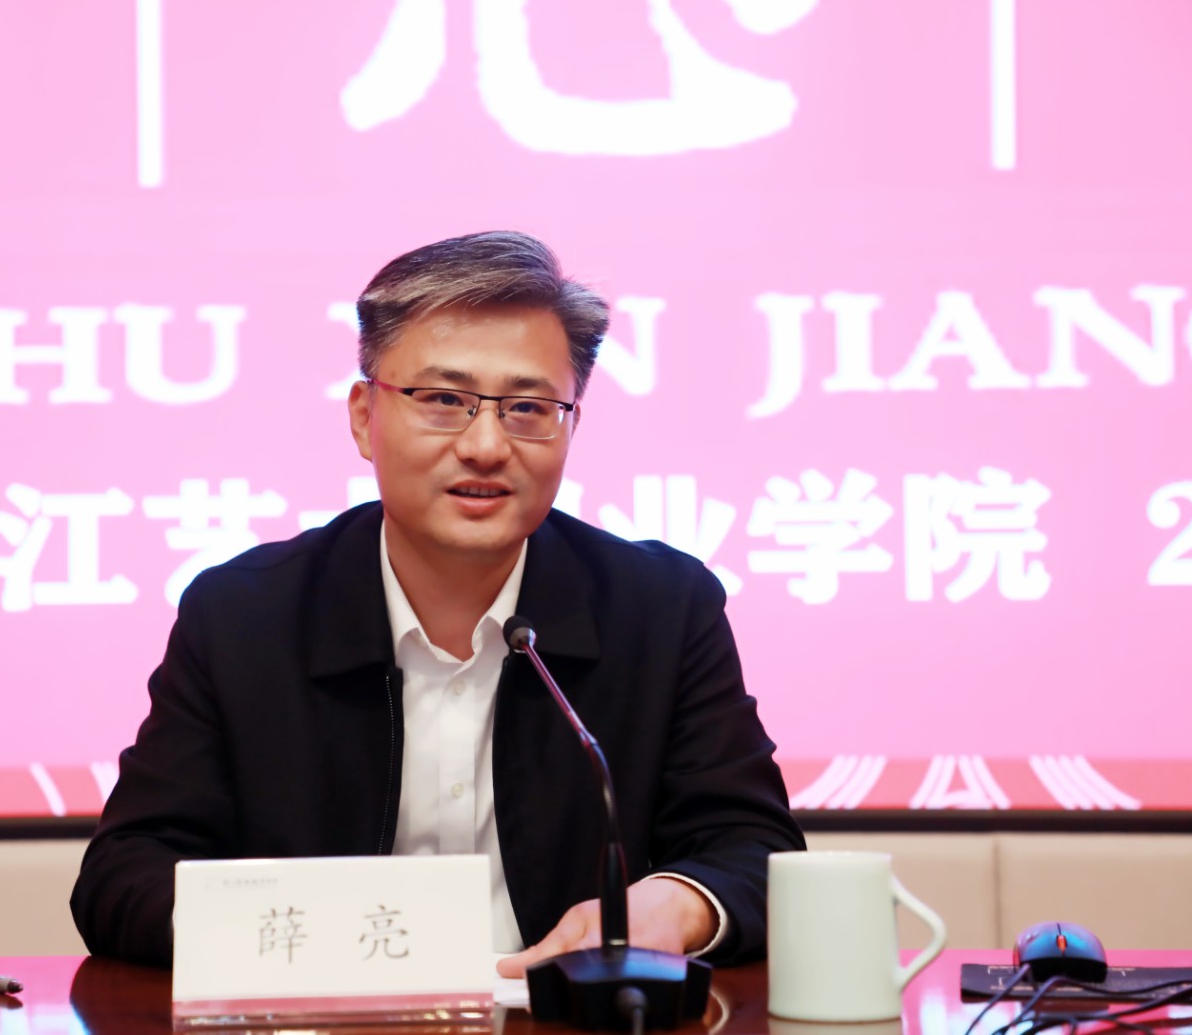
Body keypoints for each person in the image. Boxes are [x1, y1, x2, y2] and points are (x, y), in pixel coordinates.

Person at [70, 231, 804, 973]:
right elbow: (124, 873)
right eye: (445, 400)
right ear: (364, 416)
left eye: (527, 407)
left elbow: (755, 849)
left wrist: (677, 905)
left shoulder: (662, 610)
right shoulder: (244, 617)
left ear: (571, 426)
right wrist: (302, 935)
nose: (486, 446)